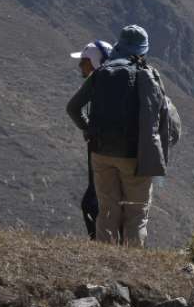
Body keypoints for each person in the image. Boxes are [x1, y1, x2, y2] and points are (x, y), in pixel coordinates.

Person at [66, 24, 172, 246]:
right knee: (135, 215)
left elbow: (73, 107)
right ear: (142, 50)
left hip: (100, 153)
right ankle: (131, 268)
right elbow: (163, 117)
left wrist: (88, 129)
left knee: (106, 212)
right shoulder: (148, 74)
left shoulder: (102, 72)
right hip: (134, 156)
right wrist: (159, 156)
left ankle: (105, 266)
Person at [69, 39, 113, 237]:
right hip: (122, 150)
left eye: (84, 60)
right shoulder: (116, 83)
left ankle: (99, 242)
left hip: (100, 149)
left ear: (95, 62)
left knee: (91, 202)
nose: (80, 65)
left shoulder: (97, 82)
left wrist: (88, 128)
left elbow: (72, 108)